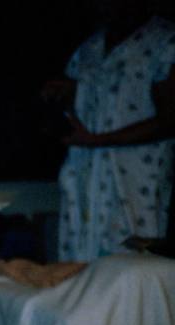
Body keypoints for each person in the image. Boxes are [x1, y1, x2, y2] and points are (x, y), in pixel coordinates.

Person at [42, 0, 175, 262]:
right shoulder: (89, 48)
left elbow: (169, 120)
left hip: (135, 186)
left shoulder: (165, 41)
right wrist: (66, 94)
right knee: (81, 268)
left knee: (133, 268)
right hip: (85, 180)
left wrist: (100, 140)